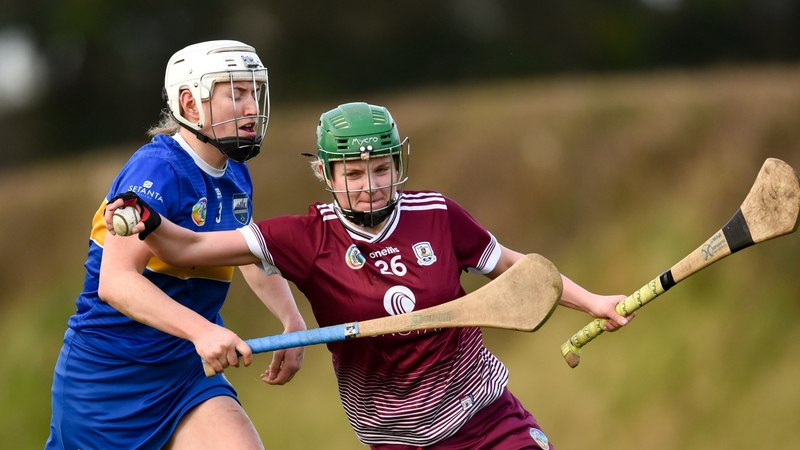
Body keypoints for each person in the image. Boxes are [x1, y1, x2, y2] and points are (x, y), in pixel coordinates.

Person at [105, 102, 633, 449]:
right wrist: (144, 217)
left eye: (380, 168)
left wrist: (593, 303)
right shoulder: (307, 237)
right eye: (353, 174)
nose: (369, 185)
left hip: (486, 421)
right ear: (327, 175)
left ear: (397, 164)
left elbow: (522, 273)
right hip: (394, 438)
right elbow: (190, 244)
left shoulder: (437, 216)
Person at [46, 40, 307, 450]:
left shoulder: (235, 173)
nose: (252, 107)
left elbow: (245, 251)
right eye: (236, 94)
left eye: (254, 93)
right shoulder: (158, 170)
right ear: (190, 104)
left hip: (186, 374)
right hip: (109, 379)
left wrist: (291, 320)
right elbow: (115, 282)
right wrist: (202, 331)